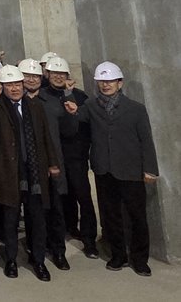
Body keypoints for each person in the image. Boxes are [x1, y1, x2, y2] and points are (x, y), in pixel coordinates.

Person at [65, 61, 158, 276]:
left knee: (136, 216)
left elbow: (146, 140)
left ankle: (140, 259)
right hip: (104, 170)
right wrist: (69, 95)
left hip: (131, 169)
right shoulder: (91, 106)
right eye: (101, 81)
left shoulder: (136, 109)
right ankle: (118, 255)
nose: (105, 85)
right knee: (111, 215)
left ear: (120, 83)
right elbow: (76, 114)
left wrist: (150, 169)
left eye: (110, 81)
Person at [0, 65, 60, 281]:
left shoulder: (35, 106)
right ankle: (11, 260)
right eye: (9, 85)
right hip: (10, 172)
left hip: (34, 171)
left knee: (37, 218)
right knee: (10, 219)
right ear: (3, 87)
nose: (15, 88)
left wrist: (52, 163)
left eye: (17, 84)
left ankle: (38, 260)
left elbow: (46, 136)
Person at [20, 57, 72, 271]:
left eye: (35, 76)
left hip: (53, 163)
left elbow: (67, 132)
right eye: (27, 76)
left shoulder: (52, 100)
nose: (31, 80)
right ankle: (35, 250)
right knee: (33, 212)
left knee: (56, 210)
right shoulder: (16, 101)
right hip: (29, 165)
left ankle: (58, 251)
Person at [46, 56, 98, 258]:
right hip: (53, 157)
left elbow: (86, 126)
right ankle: (64, 230)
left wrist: (84, 151)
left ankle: (89, 240)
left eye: (62, 73)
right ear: (47, 74)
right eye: (54, 73)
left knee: (83, 197)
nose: (58, 77)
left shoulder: (80, 96)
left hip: (76, 157)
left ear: (67, 75)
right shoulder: (42, 97)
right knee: (58, 198)